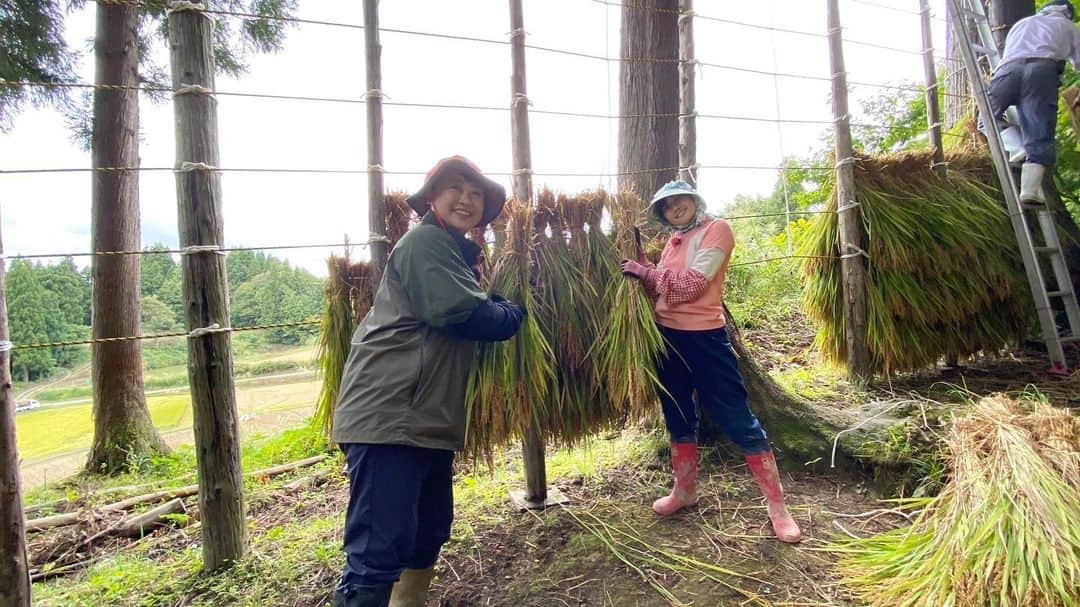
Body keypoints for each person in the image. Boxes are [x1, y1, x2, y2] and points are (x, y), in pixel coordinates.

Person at [331, 156, 525, 607]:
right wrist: (510, 312)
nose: (467, 199)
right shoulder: (425, 244)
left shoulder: (453, 251)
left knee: (427, 532)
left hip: (424, 419)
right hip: (390, 415)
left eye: (476, 193)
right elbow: (460, 312)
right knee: (377, 552)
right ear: (433, 198)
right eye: (455, 188)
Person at [619, 180, 801, 544]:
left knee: (735, 416)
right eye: (667, 206)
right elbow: (661, 287)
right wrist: (644, 269)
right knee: (677, 413)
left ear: (694, 200)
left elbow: (690, 286)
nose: (674, 208)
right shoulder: (673, 242)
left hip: (705, 339)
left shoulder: (717, 230)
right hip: (666, 338)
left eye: (679, 201)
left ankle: (777, 507)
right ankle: (684, 491)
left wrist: (647, 273)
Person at [988, 0, 1080, 204]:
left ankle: (1016, 147)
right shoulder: (1068, 26)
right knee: (1039, 131)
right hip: (1042, 72)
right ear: (1068, 13)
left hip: (1006, 71)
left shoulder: (1022, 23)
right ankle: (1029, 190)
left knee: (986, 119)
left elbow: (1008, 54)